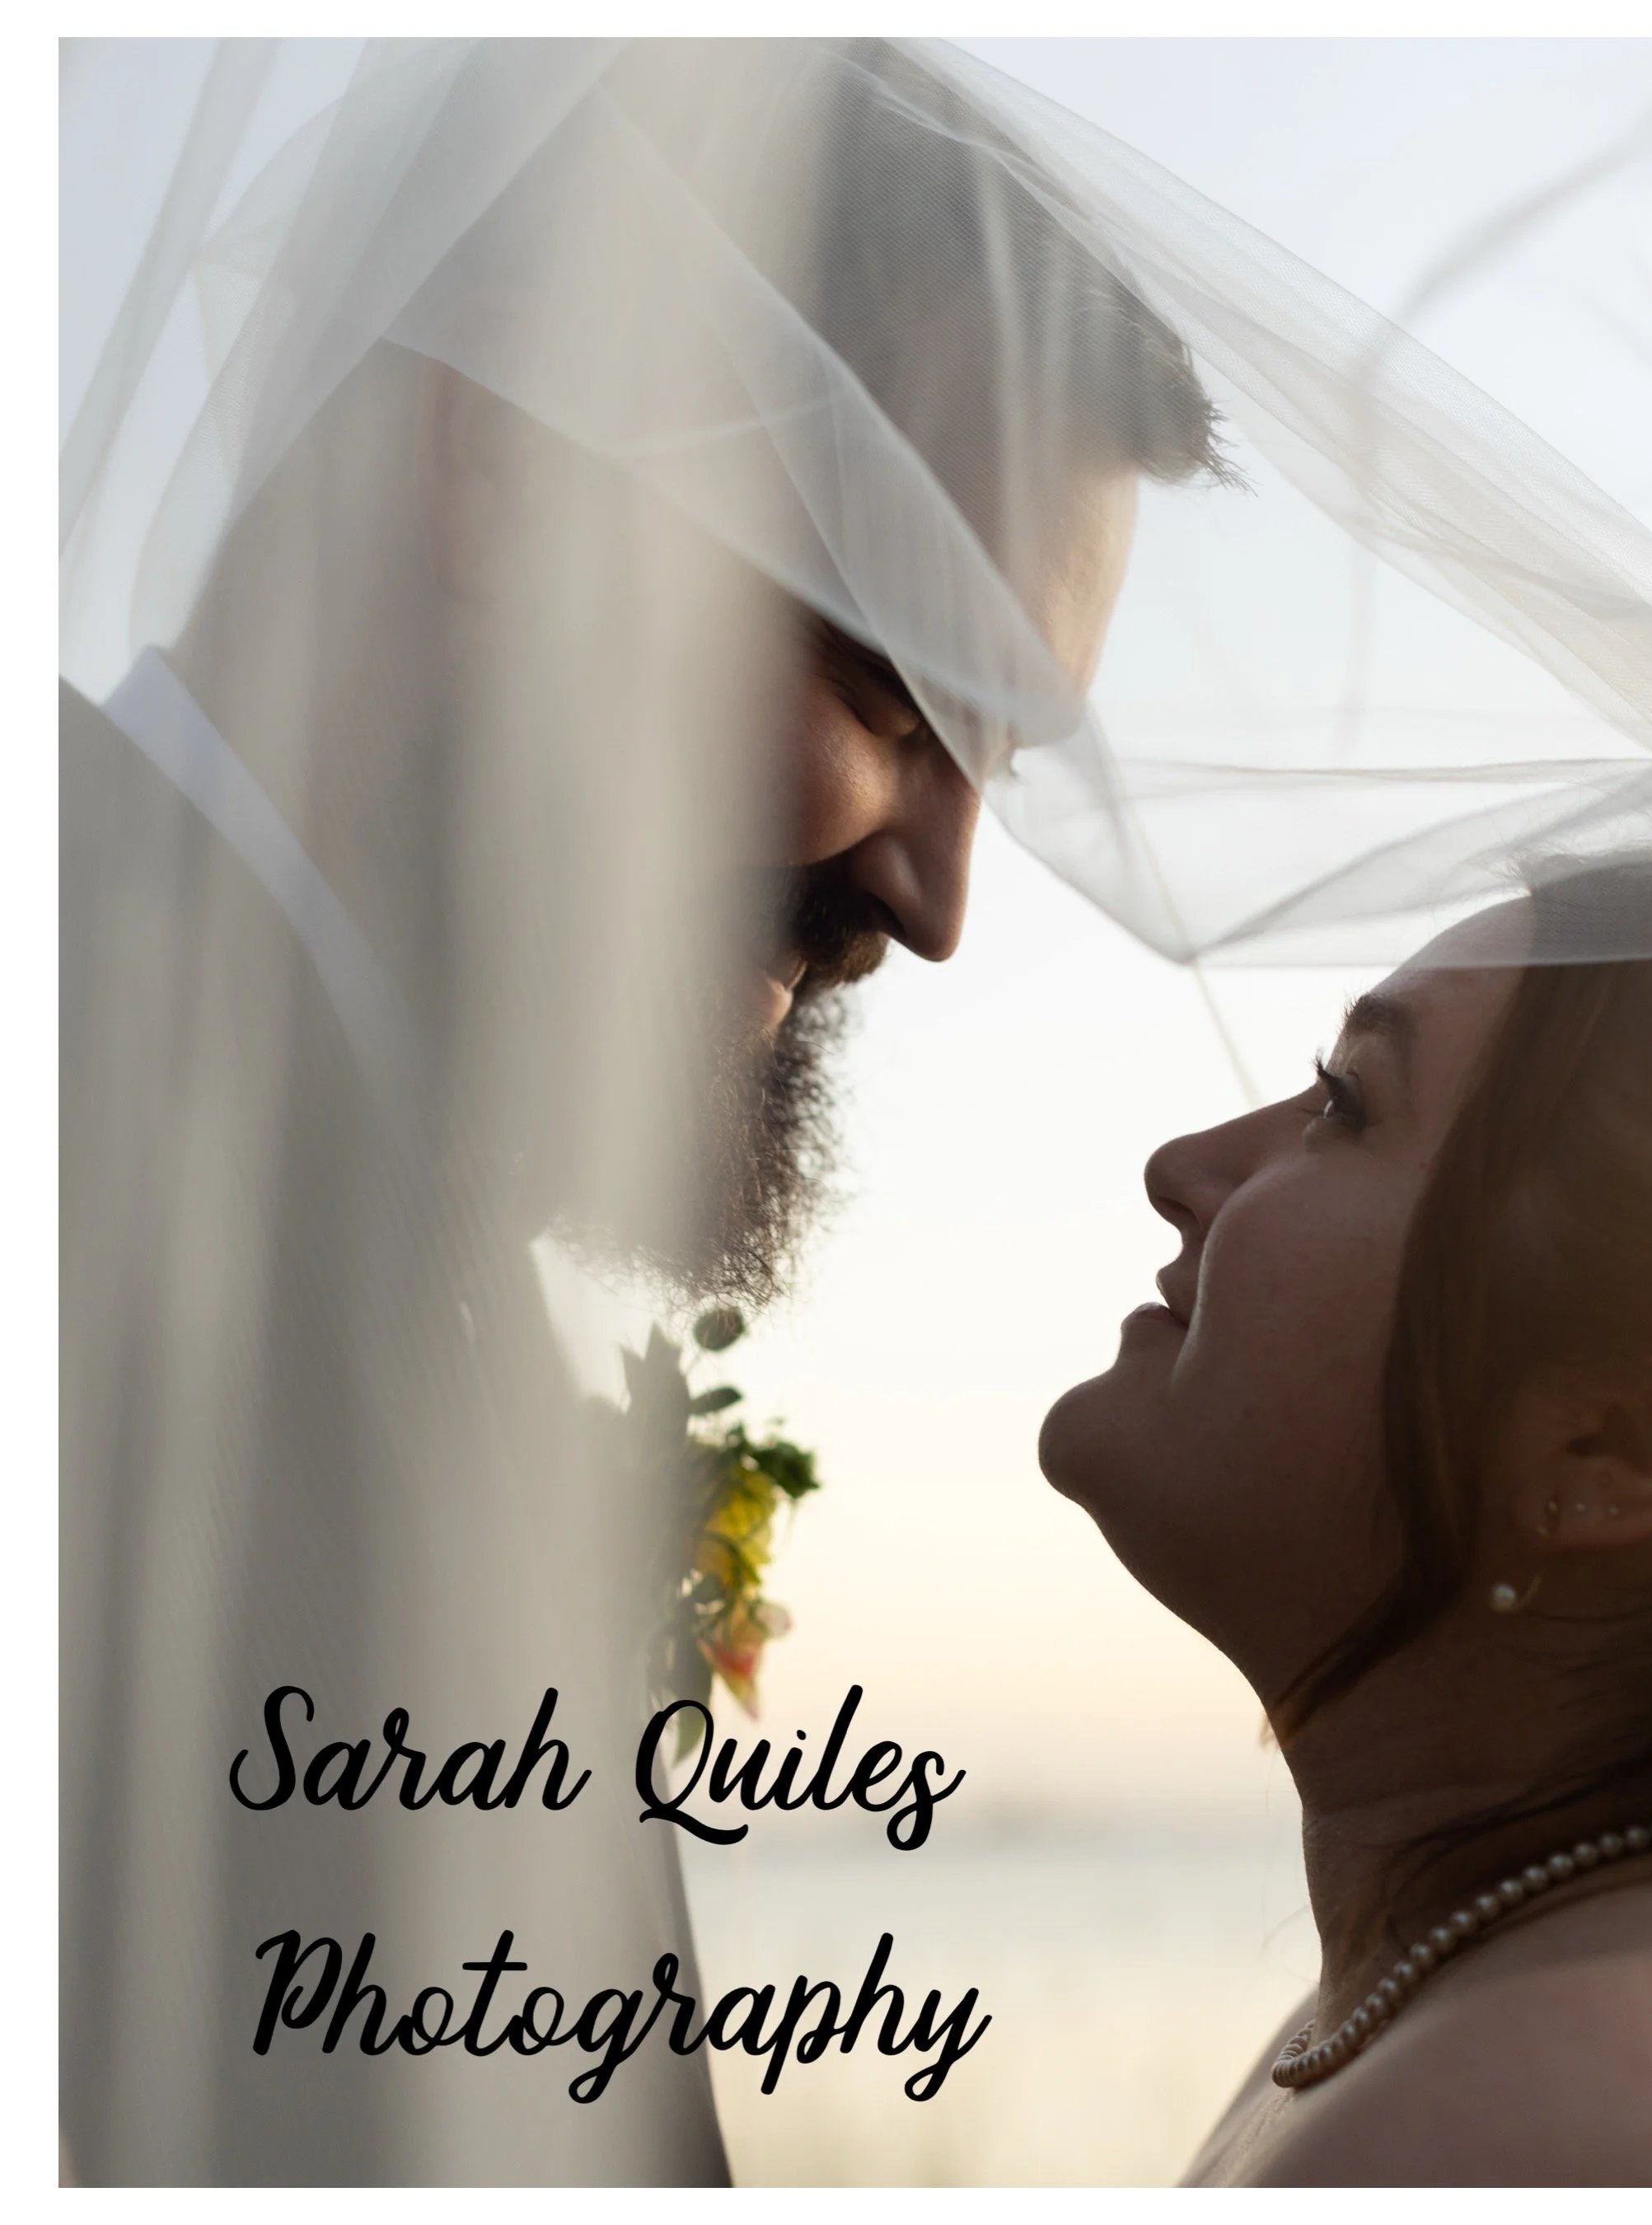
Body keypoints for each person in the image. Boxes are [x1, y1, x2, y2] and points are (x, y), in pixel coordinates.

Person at [60, 39, 1219, 2186]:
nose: (941, 901)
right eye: (896, 689)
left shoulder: (387, 1217)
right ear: (504, 464)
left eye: (1000, 760)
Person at [1040, 854, 1652, 2187]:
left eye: (1345, 1105)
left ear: (1617, 1445)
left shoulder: (1550, 2114)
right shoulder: (1425, 2006)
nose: (1181, 1167)